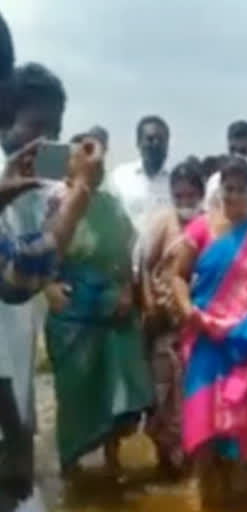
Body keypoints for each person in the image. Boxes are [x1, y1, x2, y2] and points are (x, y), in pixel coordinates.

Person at [0, 59, 103, 512]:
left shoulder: (23, 183)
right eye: (36, 125)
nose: (44, 141)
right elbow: (21, 276)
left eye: (54, 129)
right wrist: (81, 195)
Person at [170, 156, 247, 507]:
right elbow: (178, 275)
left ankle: (230, 495)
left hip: (242, 345)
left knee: (235, 428)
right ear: (219, 189)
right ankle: (203, 494)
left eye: (240, 189)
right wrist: (187, 311)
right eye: (228, 188)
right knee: (202, 422)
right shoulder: (202, 228)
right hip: (206, 340)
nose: (233, 195)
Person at [43, 129, 154, 479]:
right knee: (75, 393)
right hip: (72, 314)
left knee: (118, 387)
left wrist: (126, 290)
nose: (96, 162)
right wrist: (48, 287)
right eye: (85, 154)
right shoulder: (54, 201)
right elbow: (38, 251)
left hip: (112, 309)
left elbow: (126, 255)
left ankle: (113, 459)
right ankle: (70, 464)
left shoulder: (111, 205)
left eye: (99, 156)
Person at [142, 156, 206, 477]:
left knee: (191, 396)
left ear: (201, 194)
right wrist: (151, 301)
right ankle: (163, 459)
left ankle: (192, 460)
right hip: (165, 324)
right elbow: (145, 265)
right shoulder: (164, 223)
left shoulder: (210, 225)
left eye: (190, 196)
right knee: (162, 392)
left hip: (196, 326)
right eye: (178, 196)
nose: (185, 202)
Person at [107, 115, 172, 271]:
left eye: (160, 139)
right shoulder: (119, 177)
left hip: (160, 274)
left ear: (167, 144)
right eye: (149, 139)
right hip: (122, 270)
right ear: (138, 142)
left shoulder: (175, 184)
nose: (155, 144)